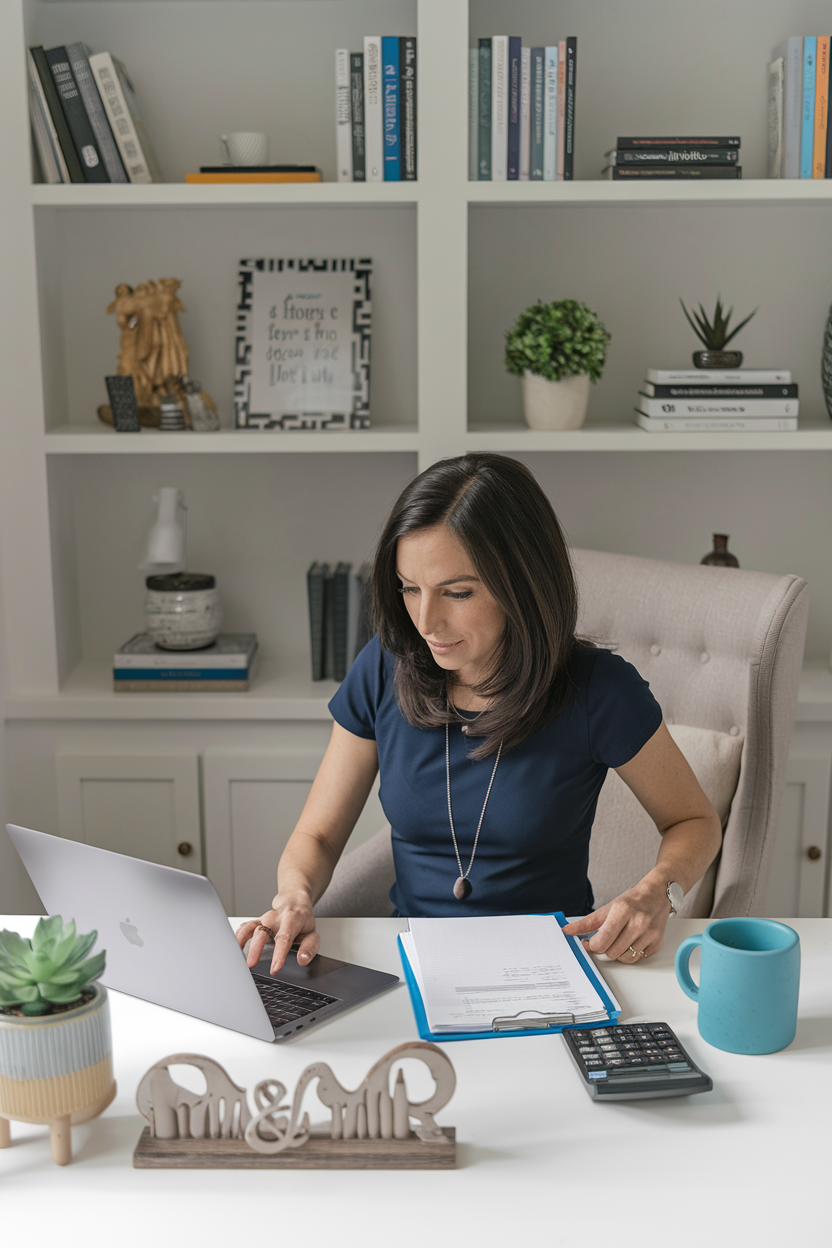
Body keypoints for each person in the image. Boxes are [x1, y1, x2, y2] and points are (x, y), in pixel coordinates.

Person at [236, 454, 722, 977]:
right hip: (412, 966)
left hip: (549, 968)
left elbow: (694, 821)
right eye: (409, 588)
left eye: (457, 592)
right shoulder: (383, 666)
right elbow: (319, 836)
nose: (426, 621)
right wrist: (294, 895)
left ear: (523, 584)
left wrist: (658, 892)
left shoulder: (597, 688)